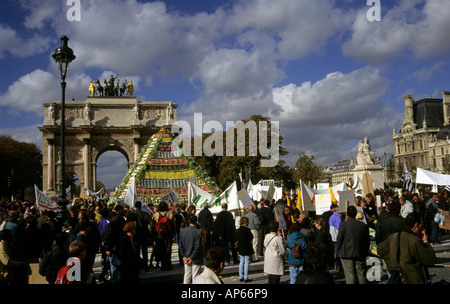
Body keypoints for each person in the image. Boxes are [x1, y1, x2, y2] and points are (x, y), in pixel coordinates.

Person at [378, 212, 437, 284]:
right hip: (413, 279)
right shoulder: (414, 241)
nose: (423, 227)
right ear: (416, 225)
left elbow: (380, 250)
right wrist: (425, 241)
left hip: (398, 277)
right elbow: (430, 259)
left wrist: (392, 263)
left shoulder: (393, 236)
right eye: (422, 224)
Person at [337, 206, 370, 284]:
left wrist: (339, 250)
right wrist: (365, 252)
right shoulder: (363, 225)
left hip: (346, 252)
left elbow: (339, 239)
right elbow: (367, 241)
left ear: (347, 214)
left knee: (350, 275)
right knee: (361, 274)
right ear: (355, 214)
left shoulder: (343, 224)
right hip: (359, 252)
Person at [179, 215, 203, 284]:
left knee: (187, 276)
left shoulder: (182, 231)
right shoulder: (198, 232)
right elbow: (197, 247)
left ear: (189, 221)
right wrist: (191, 257)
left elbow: (181, 246)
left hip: (186, 256)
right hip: (196, 258)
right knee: (196, 277)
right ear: (196, 221)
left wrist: (184, 256)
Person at [153, 201, 176, 271]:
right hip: (168, 234)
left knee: (161, 249)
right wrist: (173, 233)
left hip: (159, 234)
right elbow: (173, 224)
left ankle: (162, 265)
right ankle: (168, 265)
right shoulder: (169, 214)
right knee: (168, 249)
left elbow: (153, 225)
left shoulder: (156, 214)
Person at [134, 200, 152, 272]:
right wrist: (150, 231)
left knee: (137, 252)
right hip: (144, 234)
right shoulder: (145, 214)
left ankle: (138, 267)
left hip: (136, 234)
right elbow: (151, 223)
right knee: (145, 251)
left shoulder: (133, 214)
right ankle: (146, 267)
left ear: (135, 206)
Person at [234, 216, 254, 282]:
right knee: (247, 262)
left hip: (241, 247)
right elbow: (251, 237)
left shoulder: (238, 230)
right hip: (247, 247)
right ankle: (246, 277)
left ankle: (241, 276)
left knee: (241, 262)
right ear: (245, 222)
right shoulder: (247, 230)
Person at [328, 205, 341, 271]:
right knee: (337, 251)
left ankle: (335, 265)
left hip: (332, 236)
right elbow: (339, 227)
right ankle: (337, 265)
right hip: (336, 236)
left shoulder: (332, 216)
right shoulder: (338, 217)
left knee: (335, 251)